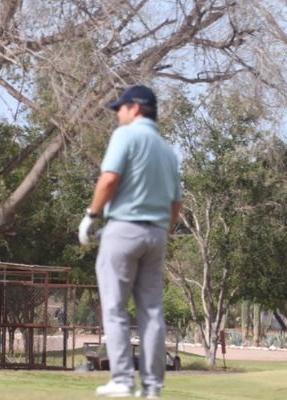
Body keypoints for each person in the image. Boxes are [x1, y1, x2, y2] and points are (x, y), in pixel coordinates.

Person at [78, 85, 181, 399]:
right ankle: (152, 387)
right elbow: (176, 204)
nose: (118, 114)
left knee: (115, 307)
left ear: (135, 108)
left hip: (123, 229)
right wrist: (165, 230)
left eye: (120, 109)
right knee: (151, 311)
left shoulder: (126, 136)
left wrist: (91, 215)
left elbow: (109, 179)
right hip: (157, 234)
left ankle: (122, 379)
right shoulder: (167, 149)